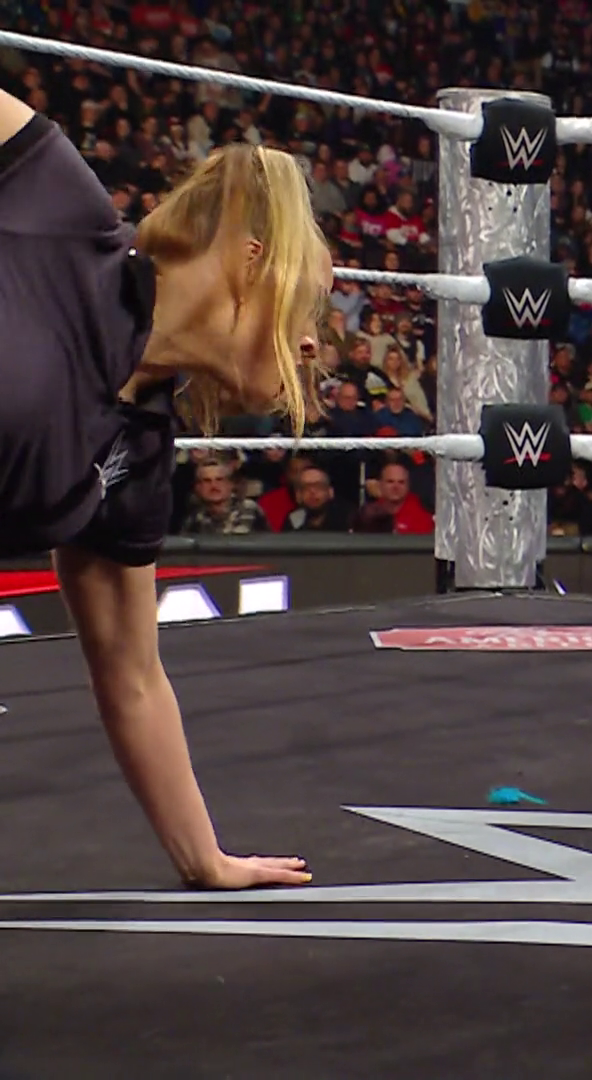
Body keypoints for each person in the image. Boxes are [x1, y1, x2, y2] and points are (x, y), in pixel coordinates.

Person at [0, 90, 328, 889]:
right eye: (308, 305)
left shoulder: (135, 450)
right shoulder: (60, 211)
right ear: (251, 262)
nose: (314, 344)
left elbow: (134, 677)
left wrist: (205, 859)